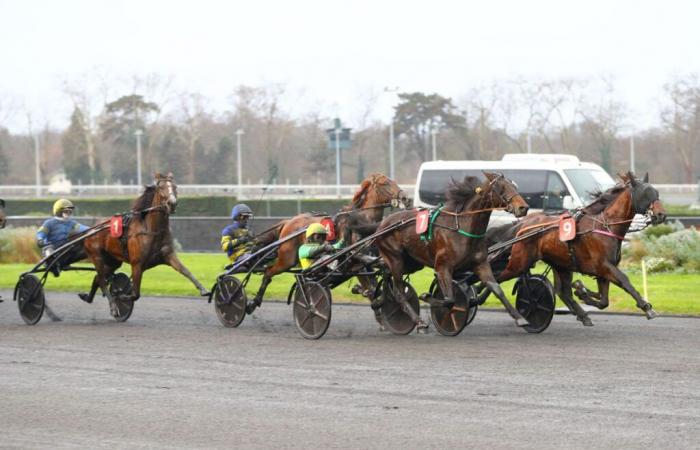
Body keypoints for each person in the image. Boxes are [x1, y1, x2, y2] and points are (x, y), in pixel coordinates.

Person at [36, 199, 89, 275]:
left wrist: (92, 230)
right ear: (59, 211)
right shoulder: (49, 223)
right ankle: (51, 264)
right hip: (51, 248)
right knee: (49, 249)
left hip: (64, 248)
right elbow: (41, 232)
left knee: (78, 247)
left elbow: (81, 228)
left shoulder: (71, 223)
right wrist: (40, 239)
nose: (69, 213)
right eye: (66, 211)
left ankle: (65, 262)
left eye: (70, 211)